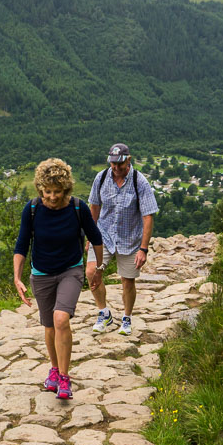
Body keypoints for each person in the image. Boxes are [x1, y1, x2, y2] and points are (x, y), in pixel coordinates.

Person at [13, 159, 103, 400]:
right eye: (47, 191)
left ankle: (64, 377)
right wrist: (17, 278)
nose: (52, 197)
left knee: (61, 318)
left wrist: (98, 268)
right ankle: (54, 369)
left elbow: (96, 238)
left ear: (66, 189)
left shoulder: (77, 208)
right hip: (41, 274)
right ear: (40, 189)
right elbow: (21, 245)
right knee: (49, 325)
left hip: (70, 271)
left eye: (57, 191)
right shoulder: (32, 209)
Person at [86, 143, 159, 337]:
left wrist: (143, 249)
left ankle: (126, 318)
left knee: (127, 281)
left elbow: (148, 216)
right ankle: (104, 312)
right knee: (91, 272)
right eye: (113, 164)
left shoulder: (139, 181)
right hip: (103, 235)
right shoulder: (101, 178)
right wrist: (90, 235)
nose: (116, 168)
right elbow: (94, 207)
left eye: (120, 164)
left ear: (128, 160)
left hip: (130, 239)